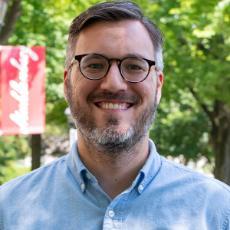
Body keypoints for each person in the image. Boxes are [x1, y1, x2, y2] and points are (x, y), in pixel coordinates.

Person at [0, 1, 230, 229]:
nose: (113, 83)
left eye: (134, 66)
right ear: (67, 83)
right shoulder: (8, 210)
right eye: (94, 65)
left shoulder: (217, 212)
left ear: (158, 86)